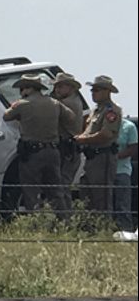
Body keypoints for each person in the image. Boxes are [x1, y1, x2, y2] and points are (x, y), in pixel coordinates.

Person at [3, 74, 75, 215]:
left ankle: (35, 221)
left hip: (32, 154)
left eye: (22, 88)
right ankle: (63, 220)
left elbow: (6, 116)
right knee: (55, 190)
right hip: (53, 152)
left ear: (27, 89)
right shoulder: (54, 103)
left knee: (31, 190)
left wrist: (18, 104)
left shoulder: (22, 105)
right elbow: (71, 117)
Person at [74, 75, 122, 217]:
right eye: (92, 90)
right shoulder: (96, 110)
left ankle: (104, 228)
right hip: (91, 157)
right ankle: (91, 228)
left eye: (97, 90)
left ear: (107, 91)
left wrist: (84, 139)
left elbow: (106, 134)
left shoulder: (111, 111)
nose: (93, 93)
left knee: (102, 196)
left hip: (103, 157)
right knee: (86, 194)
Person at [50, 72, 85, 208]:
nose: (57, 90)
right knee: (63, 185)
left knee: (62, 185)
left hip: (67, 149)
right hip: (69, 148)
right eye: (56, 87)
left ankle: (64, 217)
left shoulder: (67, 103)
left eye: (61, 86)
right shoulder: (74, 100)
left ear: (71, 88)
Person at [112, 116, 137, 232]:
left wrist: (115, 157)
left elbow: (133, 149)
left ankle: (126, 230)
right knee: (105, 203)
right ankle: (107, 229)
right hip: (104, 170)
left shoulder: (129, 127)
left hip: (122, 170)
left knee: (122, 203)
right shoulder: (102, 126)